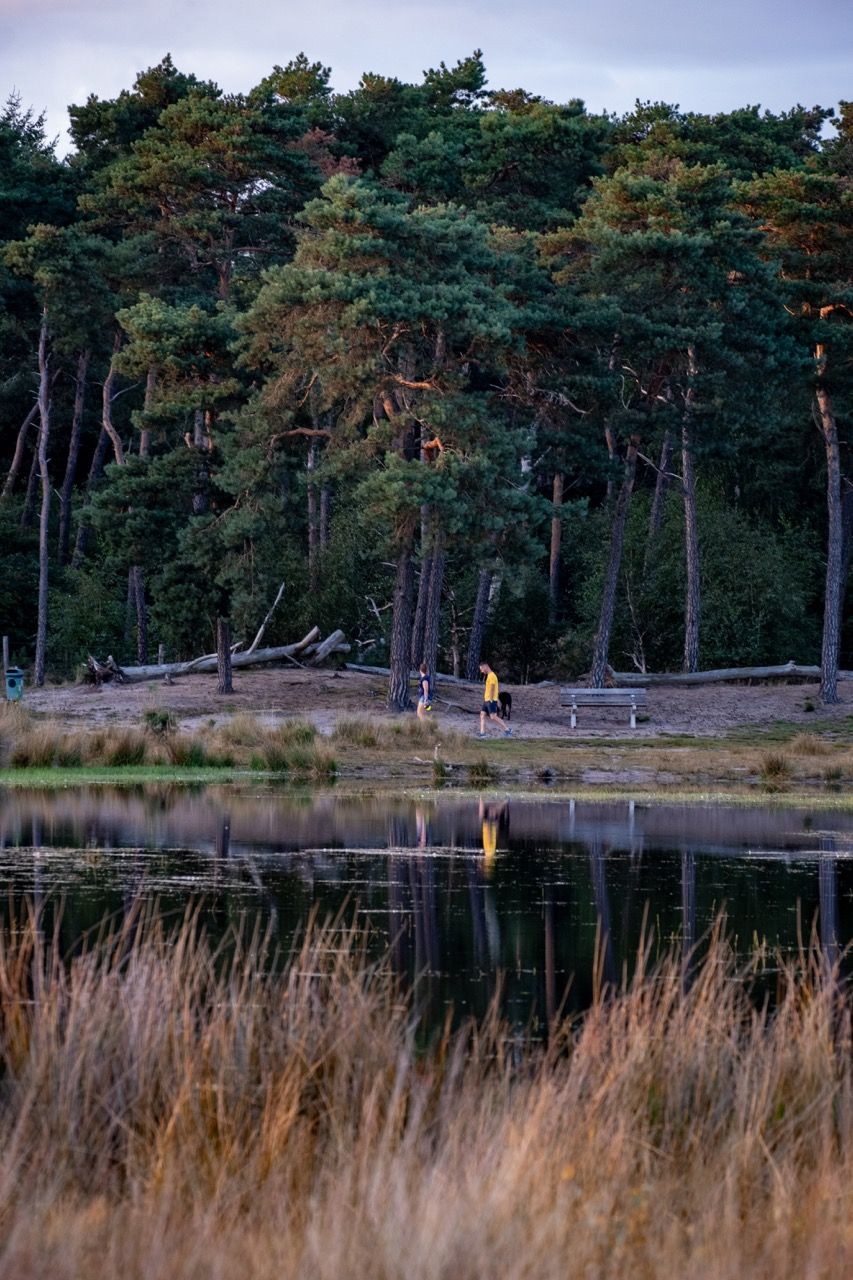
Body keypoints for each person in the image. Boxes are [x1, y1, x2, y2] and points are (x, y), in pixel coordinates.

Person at [478, 661, 512, 737]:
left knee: (493, 717)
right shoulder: (489, 676)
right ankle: (482, 734)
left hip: (490, 700)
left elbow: (492, 688)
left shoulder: (492, 676)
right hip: (486, 700)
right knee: (482, 715)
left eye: (481, 669)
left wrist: (491, 699)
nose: (481, 671)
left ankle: (507, 730)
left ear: (485, 666)